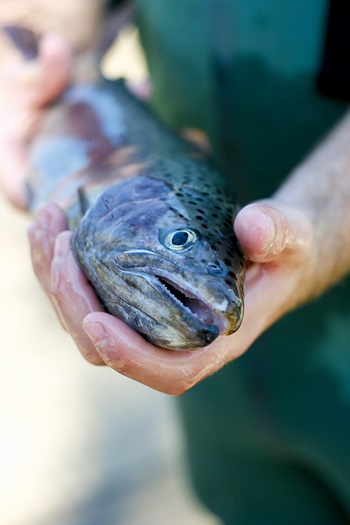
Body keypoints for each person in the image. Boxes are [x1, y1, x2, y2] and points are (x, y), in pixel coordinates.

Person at [1, 1, 350, 523]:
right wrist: (51, 42)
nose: (218, 301)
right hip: (221, 403)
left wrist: (326, 221)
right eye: (182, 239)